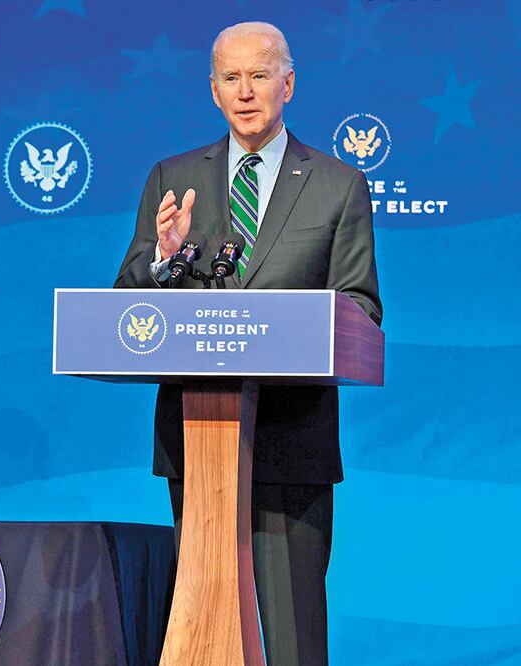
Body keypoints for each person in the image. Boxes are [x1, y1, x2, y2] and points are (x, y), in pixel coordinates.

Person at [114, 22, 382, 665]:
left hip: (293, 439)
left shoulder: (337, 184)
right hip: (198, 438)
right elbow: (129, 298)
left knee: (290, 633)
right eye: (230, 77)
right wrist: (165, 260)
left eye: (259, 75)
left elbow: (362, 306)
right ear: (212, 90)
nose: (245, 91)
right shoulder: (172, 178)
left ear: (287, 84)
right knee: (206, 628)